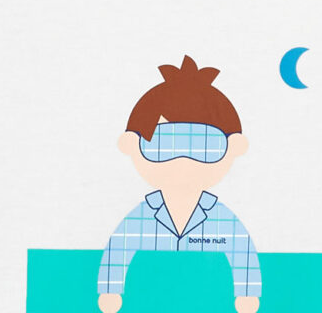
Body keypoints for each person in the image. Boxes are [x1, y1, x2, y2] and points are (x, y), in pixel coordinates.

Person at [97, 55, 261, 313]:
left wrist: (247, 294)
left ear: (235, 147)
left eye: (204, 145)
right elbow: (118, 250)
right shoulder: (140, 218)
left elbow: (243, 253)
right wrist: (110, 290)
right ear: (130, 144)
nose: (183, 160)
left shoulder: (223, 220)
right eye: (162, 144)